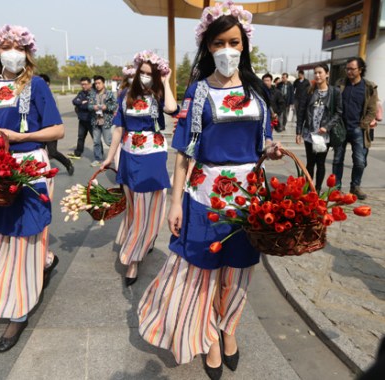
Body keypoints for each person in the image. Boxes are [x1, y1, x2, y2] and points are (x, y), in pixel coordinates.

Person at [136, 2, 282, 379]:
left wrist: (271, 149)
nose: (227, 51)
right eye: (219, 43)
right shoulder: (197, 92)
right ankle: (209, 338)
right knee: (204, 271)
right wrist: (174, 202)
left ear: (244, 46)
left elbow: (263, 141)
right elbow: (184, 153)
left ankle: (228, 327)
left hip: (248, 197)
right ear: (208, 47)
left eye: (234, 42)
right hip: (204, 195)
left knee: (239, 271)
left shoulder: (257, 93)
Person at [0, 24, 63, 353]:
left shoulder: (35, 85)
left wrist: (22, 138)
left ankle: (19, 309)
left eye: (18, 47)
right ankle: (46, 261)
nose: (12, 52)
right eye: (6, 46)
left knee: (24, 236)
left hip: (28, 167)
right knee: (1, 236)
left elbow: (58, 130)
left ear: (27, 52)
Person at [101, 50, 178, 286]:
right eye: (142, 73)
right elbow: (117, 129)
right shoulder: (125, 95)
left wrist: (165, 81)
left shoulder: (158, 93)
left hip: (152, 154)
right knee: (134, 205)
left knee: (148, 206)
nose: (145, 77)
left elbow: (173, 109)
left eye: (149, 74)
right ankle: (143, 238)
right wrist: (109, 157)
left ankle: (133, 258)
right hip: (128, 153)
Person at [332, 57, 378, 200]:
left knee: (360, 161)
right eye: (347, 69)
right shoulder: (340, 84)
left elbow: (372, 110)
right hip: (341, 129)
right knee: (337, 159)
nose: (349, 71)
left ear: (360, 70)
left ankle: (355, 186)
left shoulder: (369, 87)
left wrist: (362, 125)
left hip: (358, 129)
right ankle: (336, 188)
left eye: (352, 69)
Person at [295, 64, 342, 192]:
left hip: (323, 135)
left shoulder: (334, 92)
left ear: (327, 74)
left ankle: (317, 189)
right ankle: (308, 189)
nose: (317, 75)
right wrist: (298, 131)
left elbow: (339, 112)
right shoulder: (309, 91)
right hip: (309, 133)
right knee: (310, 163)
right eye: (315, 73)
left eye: (320, 72)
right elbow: (301, 111)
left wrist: (327, 127)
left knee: (320, 163)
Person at [39, 73, 74, 175]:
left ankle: (68, 163)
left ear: (48, 83)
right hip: (39, 128)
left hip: (51, 127)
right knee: (39, 150)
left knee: (52, 152)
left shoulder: (50, 96)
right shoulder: (36, 94)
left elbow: (53, 113)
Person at [88, 75, 117, 166]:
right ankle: (98, 159)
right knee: (96, 142)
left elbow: (115, 105)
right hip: (95, 121)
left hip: (106, 121)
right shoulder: (92, 94)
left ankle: (116, 156)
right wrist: (93, 107)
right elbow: (88, 106)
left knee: (108, 141)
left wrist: (107, 107)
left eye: (99, 83)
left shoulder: (109, 94)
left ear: (103, 83)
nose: (97, 85)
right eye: (96, 83)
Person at [69, 77, 94, 159]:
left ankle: (99, 155)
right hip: (82, 119)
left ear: (90, 84)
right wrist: (81, 103)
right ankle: (78, 153)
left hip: (91, 119)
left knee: (95, 138)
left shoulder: (94, 93)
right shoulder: (81, 93)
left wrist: (81, 105)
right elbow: (74, 101)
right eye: (82, 84)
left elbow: (90, 106)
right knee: (80, 137)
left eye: (85, 84)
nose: (83, 86)